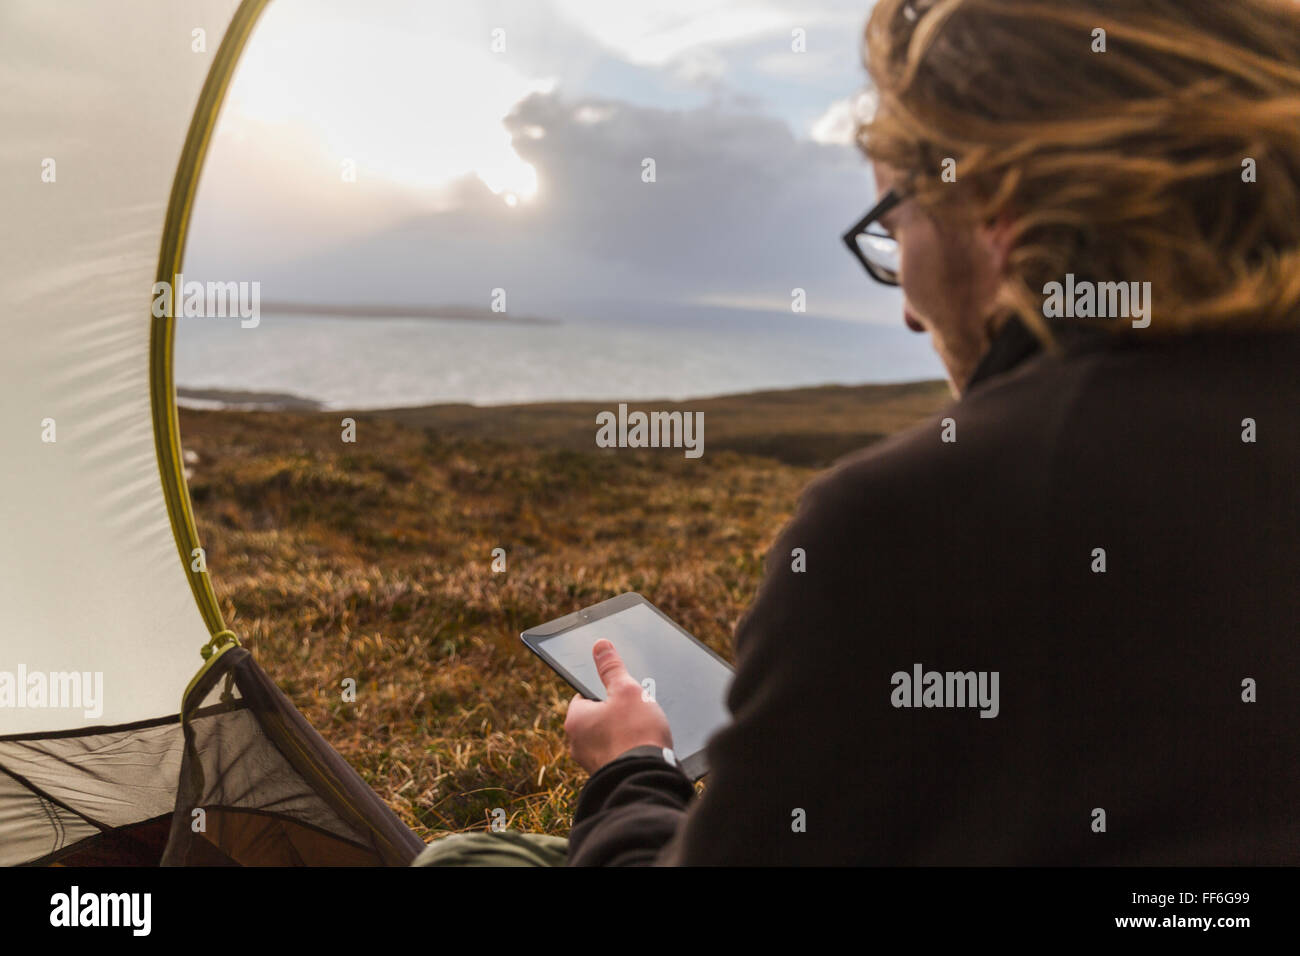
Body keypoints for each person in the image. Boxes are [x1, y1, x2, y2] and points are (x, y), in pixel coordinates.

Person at [416, 0, 1300, 866]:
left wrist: (630, 769)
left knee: (466, 857)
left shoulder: (921, 522)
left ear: (998, 203)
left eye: (894, 228)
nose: (911, 314)